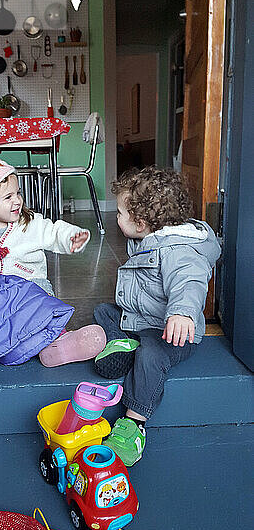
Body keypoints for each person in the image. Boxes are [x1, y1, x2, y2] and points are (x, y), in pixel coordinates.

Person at [93, 166, 221, 466]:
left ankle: (134, 422)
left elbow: (189, 281)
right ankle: (122, 345)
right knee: (103, 311)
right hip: (141, 318)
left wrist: (181, 313)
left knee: (150, 355)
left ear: (140, 222)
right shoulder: (146, 239)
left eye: (121, 213)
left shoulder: (179, 251)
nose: (117, 217)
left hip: (169, 332)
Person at [0, 151, 106, 366]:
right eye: (8, 197)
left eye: (18, 193)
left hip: (31, 286)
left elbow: (53, 231)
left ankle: (59, 342)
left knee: (43, 312)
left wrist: (70, 237)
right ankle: (8, 347)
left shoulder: (30, 224)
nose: (17, 200)